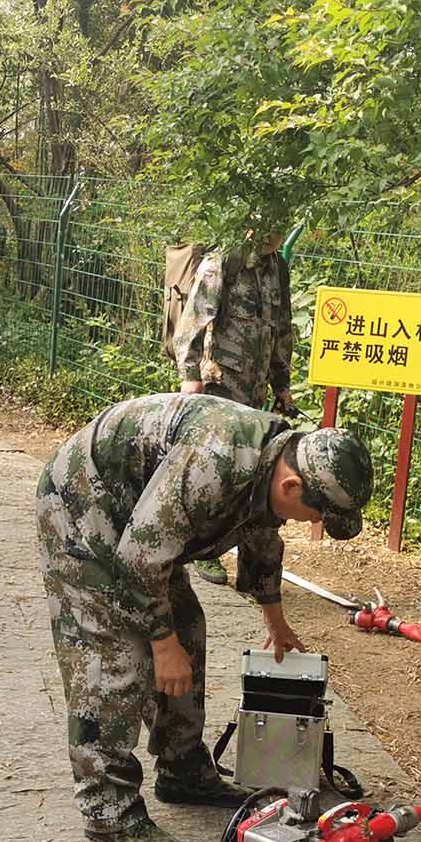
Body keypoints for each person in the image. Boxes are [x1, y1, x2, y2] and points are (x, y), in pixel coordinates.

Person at [37, 393, 373, 842]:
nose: (313, 523)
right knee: (114, 657)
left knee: (187, 631)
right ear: (293, 485)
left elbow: (260, 529)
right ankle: (107, 808)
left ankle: (183, 769)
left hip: (144, 524)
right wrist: (161, 645)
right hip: (83, 508)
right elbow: (138, 561)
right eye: (317, 514)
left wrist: (274, 618)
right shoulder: (214, 462)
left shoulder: (276, 455)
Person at [169, 230, 302, 585]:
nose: (277, 235)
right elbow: (193, 322)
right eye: (271, 227)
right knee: (213, 469)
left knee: (252, 474)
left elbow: (281, 330)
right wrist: (190, 376)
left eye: (282, 228)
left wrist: (282, 385)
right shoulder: (224, 261)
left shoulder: (277, 268)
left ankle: (251, 566)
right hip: (219, 384)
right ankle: (203, 551)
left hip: (255, 393)